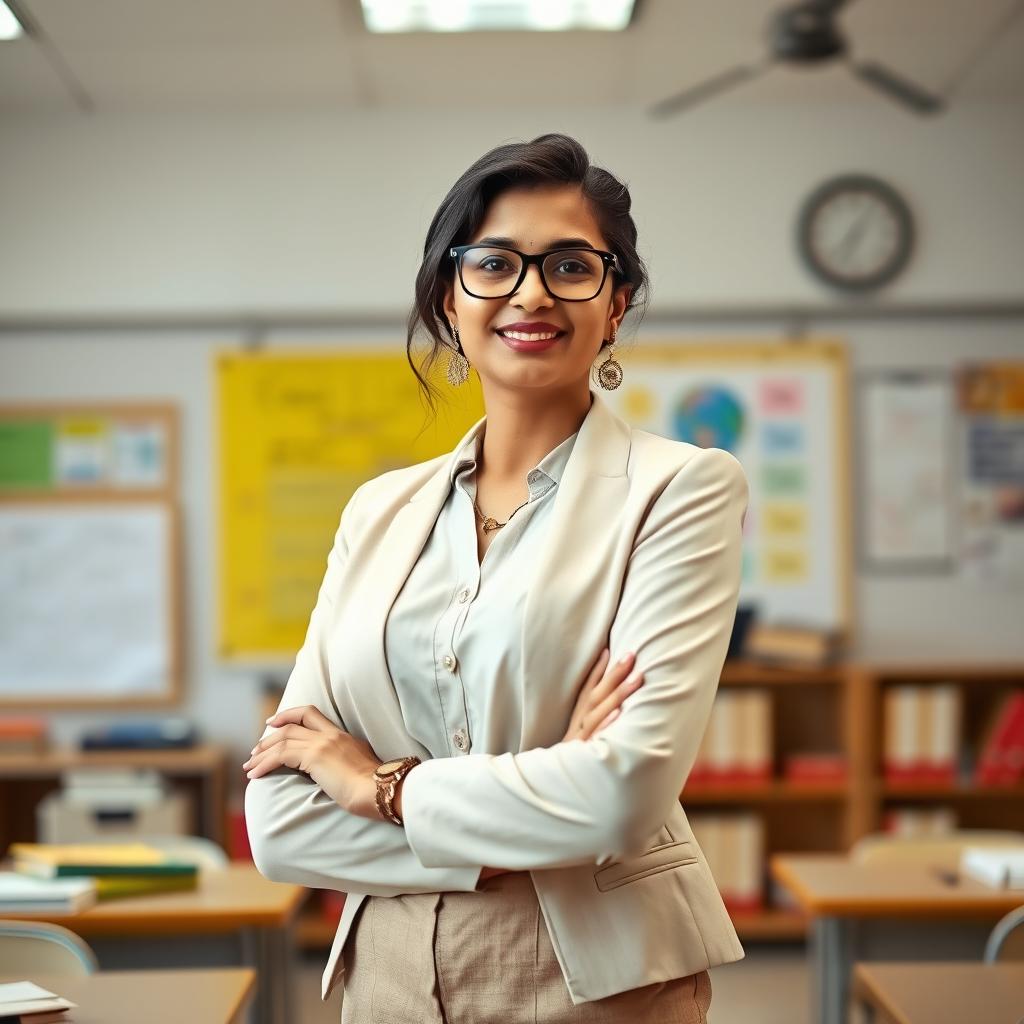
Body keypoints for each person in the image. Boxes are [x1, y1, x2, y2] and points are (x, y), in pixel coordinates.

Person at [244, 132, 748, 1023]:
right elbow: (280, 824)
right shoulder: (378, 512)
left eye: (569, 265)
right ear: (450, 293)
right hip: (387, 973)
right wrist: (544, 800)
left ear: (616, 302)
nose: (530, 292)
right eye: (494, 263)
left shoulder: (682, 489)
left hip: (593, 976)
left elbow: (624, 794)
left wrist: (379, 787)